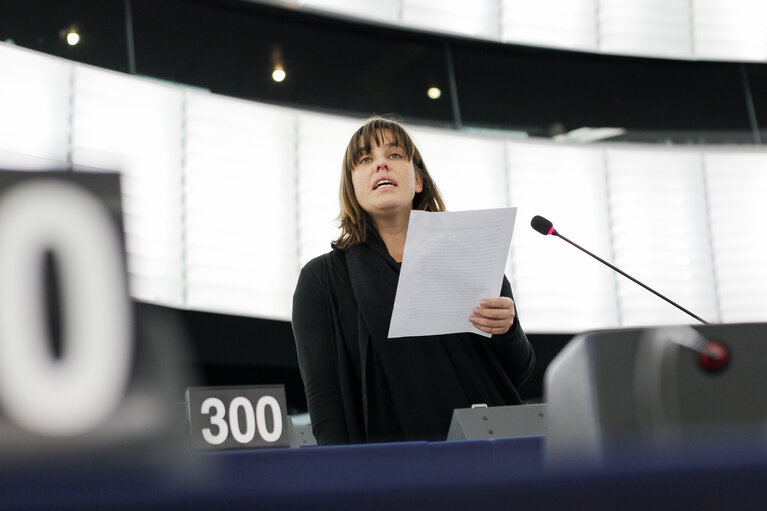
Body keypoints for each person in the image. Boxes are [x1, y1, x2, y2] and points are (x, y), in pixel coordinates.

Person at [292, 116, 534, 445]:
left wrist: (508, 329)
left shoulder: (470, 259)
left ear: (418, 180)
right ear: (352, 186)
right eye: (365, 159)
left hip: (488, 453)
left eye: (394, 156)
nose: (380, 165)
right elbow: (324, 400)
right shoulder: (321, 280)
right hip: (389, 470)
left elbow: (518, 373)